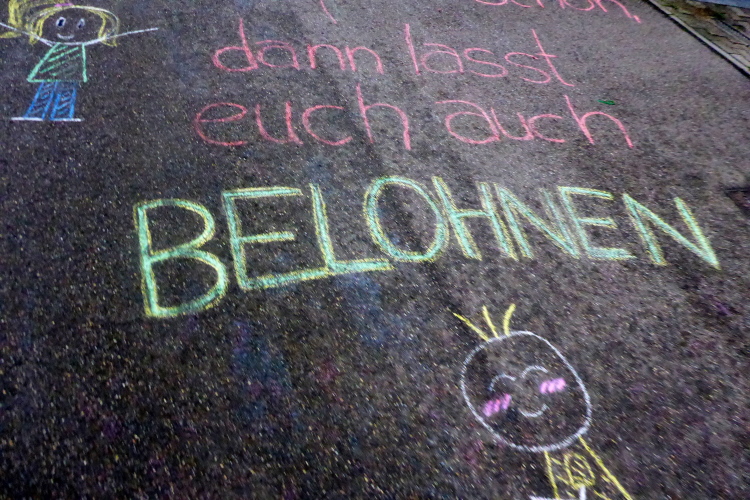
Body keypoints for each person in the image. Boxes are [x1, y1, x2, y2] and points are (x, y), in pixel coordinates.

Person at [0, 0, 156, 121]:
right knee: (46, 89)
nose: (68, 31)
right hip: (53, 66)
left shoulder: (77, 47)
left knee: (67, 90)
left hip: (72, 67)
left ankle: (62, 114)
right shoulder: (55, 45)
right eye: (60, 23)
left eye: (80, 25)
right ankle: (36, 113)